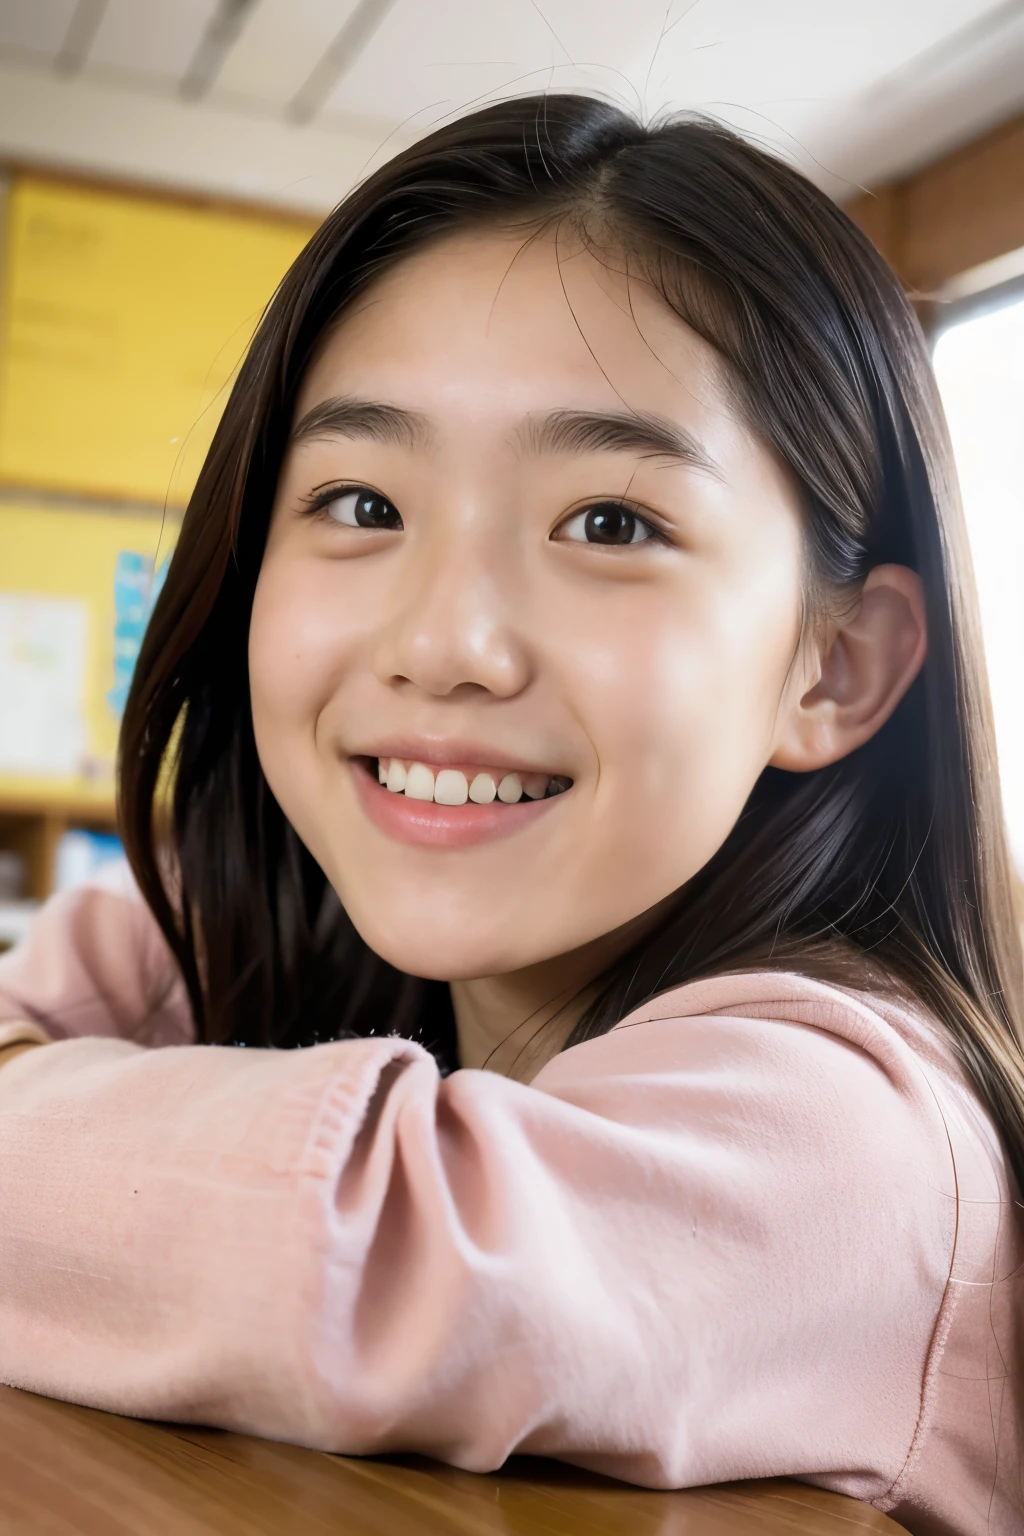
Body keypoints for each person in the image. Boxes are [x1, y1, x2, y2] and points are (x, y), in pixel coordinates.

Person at [1, 94, 1021, 1535]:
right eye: (360, 503)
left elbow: (368, 1259)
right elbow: (83, 982)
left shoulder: (863, 1132)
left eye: (610, 524)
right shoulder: (274, 920)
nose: (445, 642)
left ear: (833, 667)